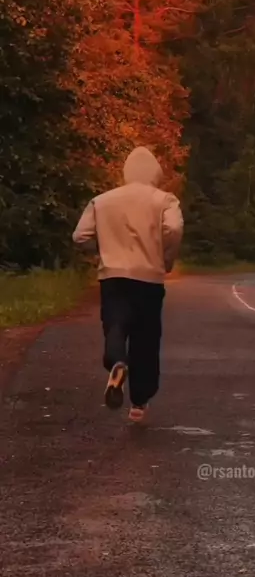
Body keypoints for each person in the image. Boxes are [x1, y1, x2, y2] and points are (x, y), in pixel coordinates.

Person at [72, 146, 183, 423]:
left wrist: (102, 251)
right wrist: (165, 259)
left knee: (116, 325)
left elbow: (80, 236)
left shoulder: (102, 200)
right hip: (149, 278)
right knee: (146, 338)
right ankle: (139, 403)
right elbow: (174, 229)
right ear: (155, 173)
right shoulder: (165, 200)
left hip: (113, 276)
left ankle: (117, 362)